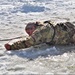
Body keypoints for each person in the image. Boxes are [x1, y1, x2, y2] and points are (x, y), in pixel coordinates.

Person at [4, 20, 75, 50]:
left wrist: (12, 47)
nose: (30, 35)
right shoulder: (43, 27)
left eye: (29, 32)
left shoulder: (40, 31)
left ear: (33, 28)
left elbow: (30, 41)